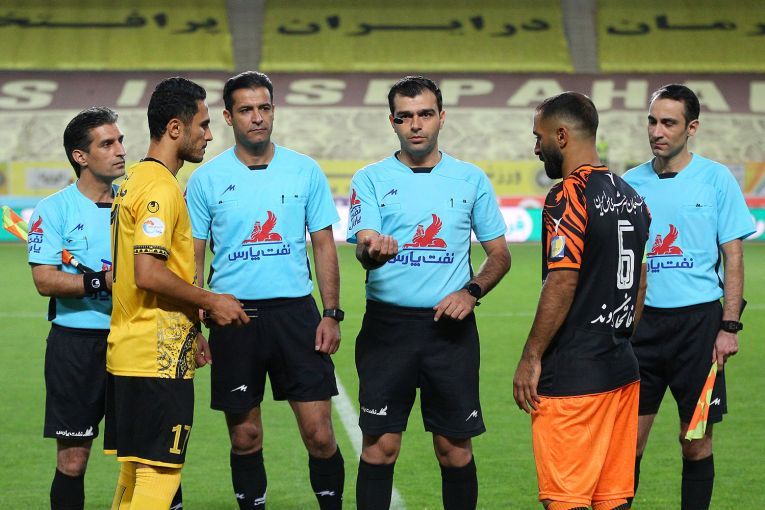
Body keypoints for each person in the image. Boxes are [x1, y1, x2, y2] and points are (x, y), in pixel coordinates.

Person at [347, 75, 511, 510]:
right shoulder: (370, 178)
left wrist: (471, 292)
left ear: (441, 117)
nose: (416, 125)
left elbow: (499, 255)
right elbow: (364, 247)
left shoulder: (470, 179)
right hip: (387, 330)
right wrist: (372, 251)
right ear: (392, 122)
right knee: (380, 448)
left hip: (450, 330)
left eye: (425, 114)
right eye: (405, 117)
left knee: (454, 450)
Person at [185, 71, 345, 510]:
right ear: (228, 117)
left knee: (319, 434)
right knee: (246, 436)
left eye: (264, 108)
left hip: (296, 315)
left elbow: (324, 244)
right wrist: (195, 325)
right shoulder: (206, 179)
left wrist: (331, 312)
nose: (257, 118)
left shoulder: (304, 170)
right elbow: (193, 257)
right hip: (233, 318)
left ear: (273, 111)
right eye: (246, 110)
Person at [106, 77, 249, 509]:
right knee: (160, 474)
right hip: (156, 359)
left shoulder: (134, 180)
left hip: (132, 350)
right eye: (203, 125)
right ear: (174, 128)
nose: (209, 135)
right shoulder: (161, 189)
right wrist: (211, 301)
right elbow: (148, 273)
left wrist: (192, 328)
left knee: (135, 470)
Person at [512, 92, 651, 510]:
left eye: (539, 137)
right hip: (621, 369)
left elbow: (562, 280)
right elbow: (641, 280)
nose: (536, 148)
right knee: (612, 499)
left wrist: (531, 356)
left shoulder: (567, 196)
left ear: (561, 136)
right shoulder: (633, 197)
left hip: (574, 377)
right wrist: (618, 337)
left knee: (566, 500)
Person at [623, 84, 755, 510]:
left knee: (695, 441)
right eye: (652, 121)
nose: (657, 131)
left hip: (698, 328)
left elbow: (733, 256)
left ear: (691, 127)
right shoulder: (629, 184)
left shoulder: (716, 179)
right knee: (628, 445)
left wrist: (729, 326)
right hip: (640, 328)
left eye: (668, 123)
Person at [27, 107, 125, 510]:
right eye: (108, 143)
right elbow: (45, 280)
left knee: (148, 456)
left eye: (120, 141)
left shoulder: (136, 204)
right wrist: (101, 281)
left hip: (132, 339)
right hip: (76, 345)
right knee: (72, 459)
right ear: (80, 156)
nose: (120, 150)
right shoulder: (54, 209)